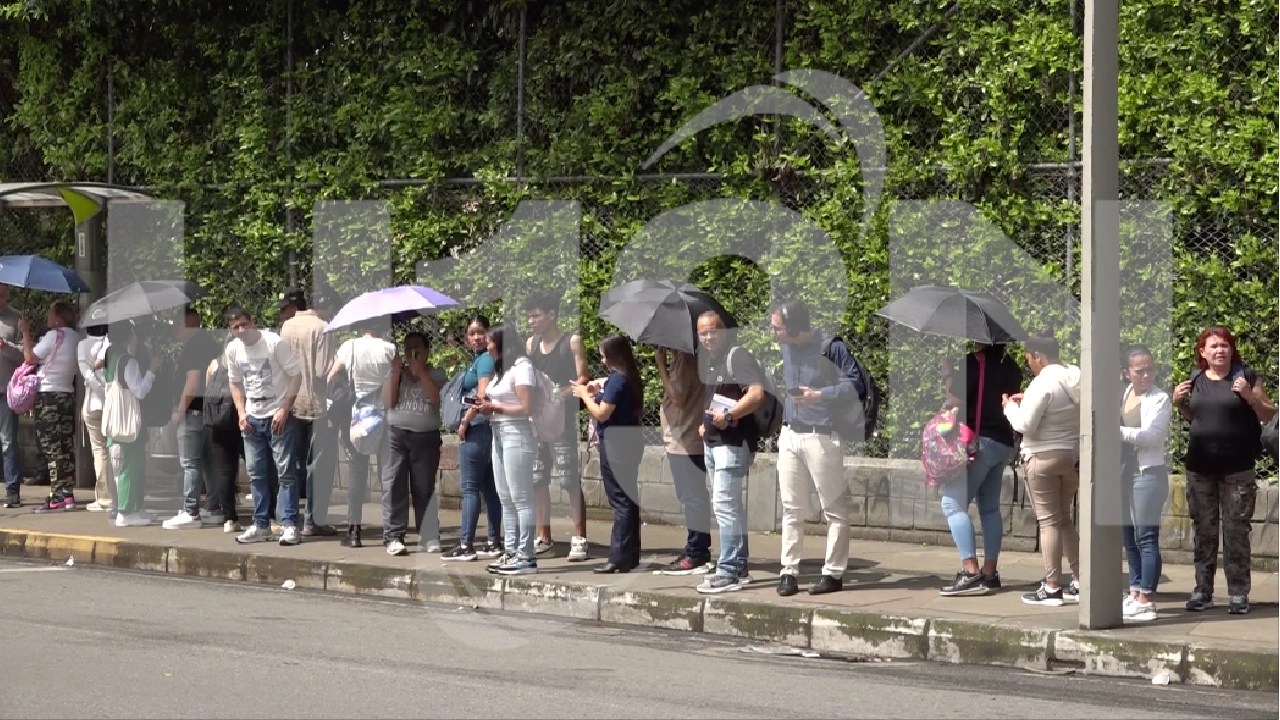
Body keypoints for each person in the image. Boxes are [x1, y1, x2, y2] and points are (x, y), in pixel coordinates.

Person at [1172, 326, 1276, 615]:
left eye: (1225, 345)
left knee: (1236, 532)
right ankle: (1202, 590)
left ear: (1232, 350)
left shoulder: (1246, 378)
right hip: (1200, 468)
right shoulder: (1195, 380)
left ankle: (1238, 593)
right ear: (1203, 352)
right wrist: (1179, 403)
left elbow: (1269, 414)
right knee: (1203, 531)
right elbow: (1198, 417)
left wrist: (1249, 396)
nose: (1220, 350)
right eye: (1213, 346)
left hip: (1238, 469)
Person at [769, 302, 858, 597]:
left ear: (794, 327)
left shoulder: (831, 347)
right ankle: (788, 572)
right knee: (791, 508)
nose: (773, 332)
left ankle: (833, 573)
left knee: (834, 509)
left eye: (777, 327)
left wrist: (820, 395)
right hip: (790, 434)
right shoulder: (786, 347)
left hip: (821, 436)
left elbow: (855, 385)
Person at [1002, 330, 1082, 607]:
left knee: (1048, 522)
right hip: (1072, 457)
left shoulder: (1042, 383)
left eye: (1029, 359)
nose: (1028, 364)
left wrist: (1009, 407)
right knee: (1065, 519)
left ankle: (1051, 587)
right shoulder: (1076, 376)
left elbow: (1025, 425)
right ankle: (1081, 580)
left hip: (1042, 458)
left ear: (1038, 355)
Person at [937, 343, 1023, 597]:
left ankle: (970, 570)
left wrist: (948, 375)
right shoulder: (1011, 366)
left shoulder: (973, 362)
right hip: (1003, 443)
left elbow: (954, 400)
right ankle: (990, 573)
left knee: (952, 503)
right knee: (989, 508)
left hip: (979, 443)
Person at [694, 311, 765, 594]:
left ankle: (729, 571)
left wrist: (730, 414)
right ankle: (739, 567)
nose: (709, 337)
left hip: (733, 444)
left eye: (713, 331)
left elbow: (756, 394)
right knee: (728, 506)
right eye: (703, 333)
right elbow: (716, 400)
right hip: (714, 442)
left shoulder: (737, 356)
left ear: (724, 331)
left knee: (725, 507)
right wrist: (706, 425)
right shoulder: (710, 361)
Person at [224, 307, 304, 546]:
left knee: (285, 472)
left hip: (277, 414)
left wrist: (284, 408)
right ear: (230, 330)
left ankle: (289, 524)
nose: (242, 330)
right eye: (236, 327)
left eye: (244, 324)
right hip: (252, 416)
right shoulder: (233, 350)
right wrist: (241, 412)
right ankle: (261, 524)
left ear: (253, 322)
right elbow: (235, 382)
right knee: (256, 473)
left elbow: (295, 375)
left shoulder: (273, 343)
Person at [524, 293, 590, 561]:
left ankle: (579, 538)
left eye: (536, 315)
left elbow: (583, 376)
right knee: (538, 479)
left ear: (552, 315)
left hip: (562, 422)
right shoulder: (532, 344)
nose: (531, 321)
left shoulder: (571, 342)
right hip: (537, 423)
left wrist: (561, 394)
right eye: (529, 317)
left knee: (569, 479)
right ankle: (544, 536)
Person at [573, 335, 644, 573]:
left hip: (616, 443)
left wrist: (584, 395)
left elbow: (603, 413)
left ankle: (619, 557)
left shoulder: (617, 379)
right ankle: (630, 554)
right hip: (630, 440)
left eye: (604, 356)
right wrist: (596, 390)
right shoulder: (629, 377)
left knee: (620, 500)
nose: (602, 361)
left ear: (614, 356)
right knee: (628, 498)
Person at [326, 321, 396, 548]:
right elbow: (396, 378)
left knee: (357, 473)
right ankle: (391, 532)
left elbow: (332, 375)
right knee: (387, 473)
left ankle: (354, 532)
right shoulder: (389, 348)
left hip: (354, 418)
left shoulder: (349, 347)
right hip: (383, 415)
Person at [476, 325, 538, 575]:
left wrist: (496, 408)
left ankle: (526, 556)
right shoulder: (502, 369)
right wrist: (486, 406)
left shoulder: (523, 367)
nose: (487, 346)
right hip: (498, 433)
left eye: (490, 342)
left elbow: (527, 408)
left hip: (516, 433)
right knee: (505, 496)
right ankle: (511, 551)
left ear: (503, 343)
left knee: (521, 497)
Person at [442, 316, 504, 562]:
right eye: (472, 333)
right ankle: (493, 541)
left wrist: (465, 420)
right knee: (489, 487)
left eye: (481, 332)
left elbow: (482, 394)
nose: (477, 337)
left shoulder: (485, 361)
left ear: (489, 334)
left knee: (469, 488)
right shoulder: (480, 359)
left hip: (477, 427)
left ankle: (466, 544)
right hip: (485, 427)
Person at [379, 332, 447, 556]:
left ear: (427, 351)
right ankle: (394, 536)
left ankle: (429, 536)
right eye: (408, 348)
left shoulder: (436, 373)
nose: (412, 352)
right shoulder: (396, 373)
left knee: (424, 487)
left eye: (417, 347)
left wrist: (421, 373)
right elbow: (387, 401)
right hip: (396, 436)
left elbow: (436, 399)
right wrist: (396, 372)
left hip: (425, 437)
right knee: (394, 484)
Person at [1118, 345, 1172, 621]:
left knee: (1146, 537)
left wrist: (1115, 431)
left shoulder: (1160, 398)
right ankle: (1136, 590)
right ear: (1127, 373)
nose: (1146, 375)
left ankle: (1147, 598)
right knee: (1129, 537)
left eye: (1150, 368)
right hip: (1125, 472)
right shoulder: (1123, 392)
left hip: (1148, 473)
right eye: (1139, 371)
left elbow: (1151, 436)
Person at [280, 290, 340, 538]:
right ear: (328, 307)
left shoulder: (286, 326)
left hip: (290, 401)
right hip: (316, 404)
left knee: (292, 463)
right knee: (318, 465)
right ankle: (312, 521)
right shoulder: (324, 328)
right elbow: (320, 371)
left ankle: (289, 520)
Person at [161, 307, 224, 529]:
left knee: (190, 462)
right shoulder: (211, 343)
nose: (175, 330)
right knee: (209, 462)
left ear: (190, 322)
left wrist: (179, 410)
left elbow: (193, 382)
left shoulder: (194, 347)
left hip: (193, 412)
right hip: (212, 411)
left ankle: (191, 510)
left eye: (178, 324)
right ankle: (215, 507)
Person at [656, 346, 713, 575]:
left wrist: (661, 365)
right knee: (694, 496)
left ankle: (696, 551)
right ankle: (697, 547)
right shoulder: (700, 356)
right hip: (689, 436)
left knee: (692, 497)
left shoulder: (685, 358)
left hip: (684, 438)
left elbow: (677, 396)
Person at [20, 300, 81, 512]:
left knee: (51, 447)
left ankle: (56, 496)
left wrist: (26, 333)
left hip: (48, 397)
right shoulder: (76, 338)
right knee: (65, 446)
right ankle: (67, 493)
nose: (47, 318)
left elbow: (29, 358)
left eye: (50, 314)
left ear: (58, 318)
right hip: (66, 395)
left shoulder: (54, 336)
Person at [103, 322, 162, 527]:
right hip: (128, 423)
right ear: (129, 336)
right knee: (129, 467)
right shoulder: (128, 362)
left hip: (114, 422)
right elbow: (140, 391)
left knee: (127, 466)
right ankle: (126, 513)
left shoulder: (110, 357)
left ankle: (135, 508)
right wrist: (152, 370)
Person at [205, 338, 244, 533]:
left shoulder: (213, 365)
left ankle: (230, 518)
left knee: (224, 471)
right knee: (259, 468)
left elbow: (208, 395)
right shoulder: (243, 364)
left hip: (218, 423)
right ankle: (268, 515)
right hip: (242, 420)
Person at [77, 324, 114, 513]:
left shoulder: (83, 345)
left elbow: (88, 376)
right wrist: (108, 396)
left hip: (93, 403)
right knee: (115, 448)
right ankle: (117, 495)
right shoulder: (112, 341)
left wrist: (101, 393)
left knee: (99, 451)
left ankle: (104, 498)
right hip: (112, 402)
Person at [0, 286, 25, 508]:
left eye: (1, 294)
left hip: (6, 390)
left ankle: (12, 490)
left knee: (8, 442)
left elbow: (24, 355)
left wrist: (5, 347)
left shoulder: (16, 318)